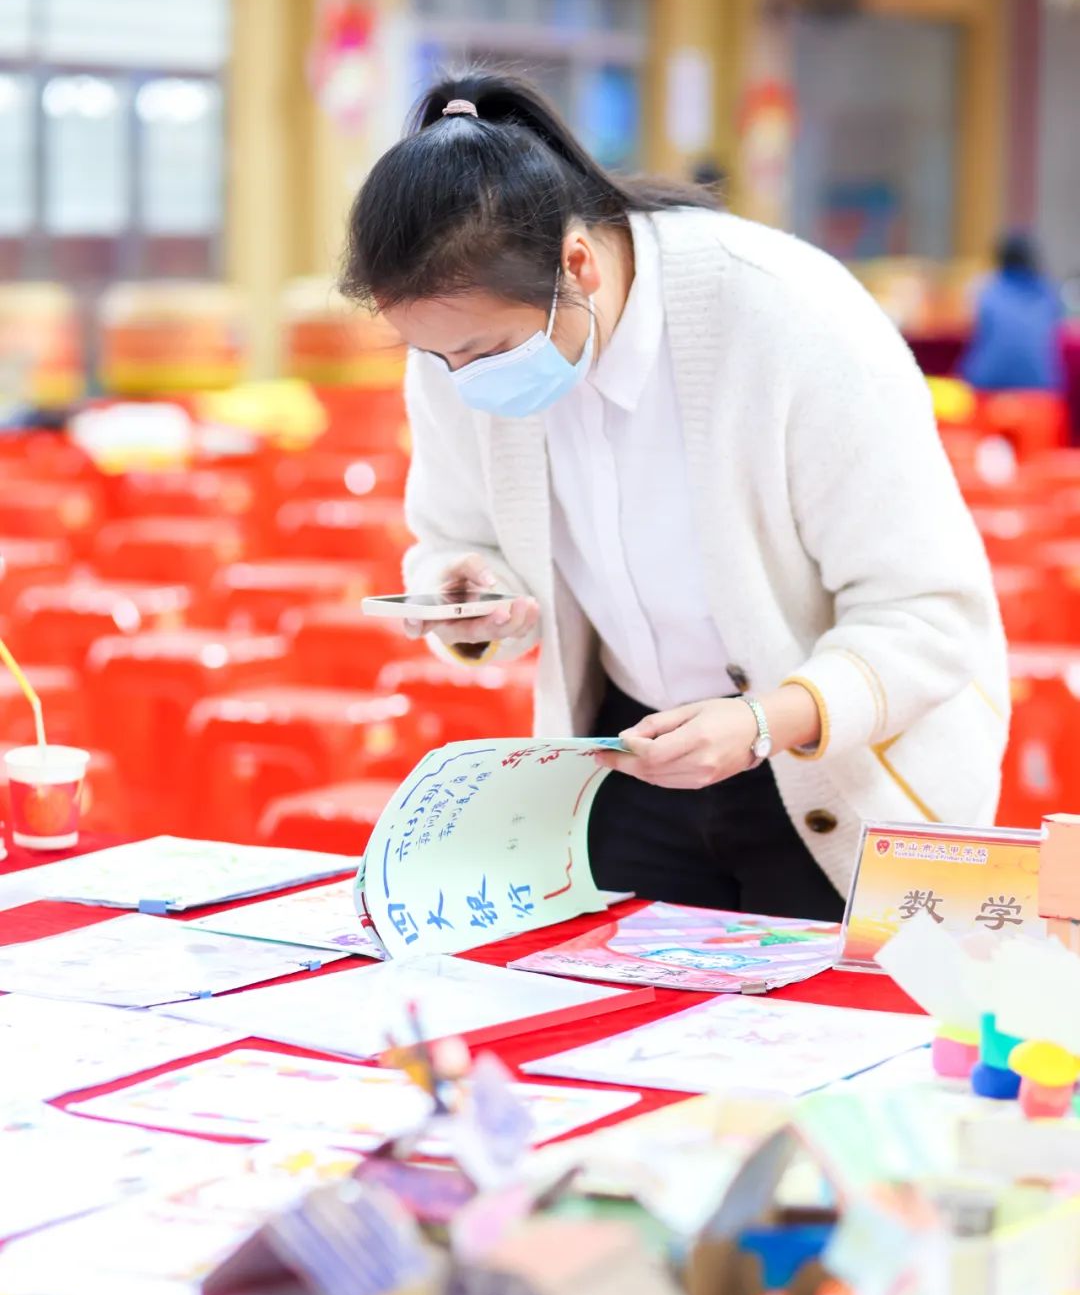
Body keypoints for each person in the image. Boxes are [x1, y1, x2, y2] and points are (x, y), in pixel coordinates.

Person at [340, 72, 1008, 919]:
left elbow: (929, 614)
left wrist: (767, 720)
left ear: (575, 262)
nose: (460, 384)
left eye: (482, 351)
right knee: (624, 1036)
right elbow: (453, 535)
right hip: (631, 756)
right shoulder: (455, 343)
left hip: (847, 776)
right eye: (435, 359)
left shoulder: (787, 317)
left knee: (840, 1037)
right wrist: (473, 589)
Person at [959, 234, 1064, 394]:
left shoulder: (986, 290)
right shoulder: (1048, 293)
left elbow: (972, 330)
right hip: (1041, 387)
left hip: (988, 384)